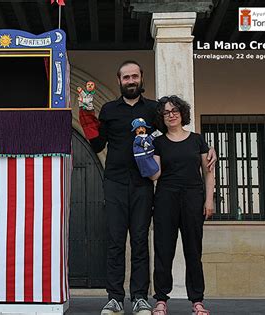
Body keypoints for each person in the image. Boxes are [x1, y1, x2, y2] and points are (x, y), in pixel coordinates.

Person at [78, 61, 217, 315]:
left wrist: (206, 149)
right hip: (115, 182)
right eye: (125, 77)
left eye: (134, 76)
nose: (130, 81)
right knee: (115, 241)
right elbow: (98, 145)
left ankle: (141, 297)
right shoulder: (108, 109)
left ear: (141, 79)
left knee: (141, 241)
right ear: (119, 81)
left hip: (144, 184)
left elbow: (177, 136)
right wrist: (86, 115)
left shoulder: (155, 110)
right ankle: (115, 298)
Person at [150, 95, 215, 315]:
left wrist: (209, 200)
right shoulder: (158, 143)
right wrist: (142, 154)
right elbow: (155, 175)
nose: (171, 115)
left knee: (193, 251)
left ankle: (197, 301)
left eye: (174, 110)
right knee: (163, 250)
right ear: (162, 117)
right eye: (166, 112)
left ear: (182, 113)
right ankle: (161, 300)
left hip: (193, 199)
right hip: (165, 199)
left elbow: (208, 172)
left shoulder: (198, 140)